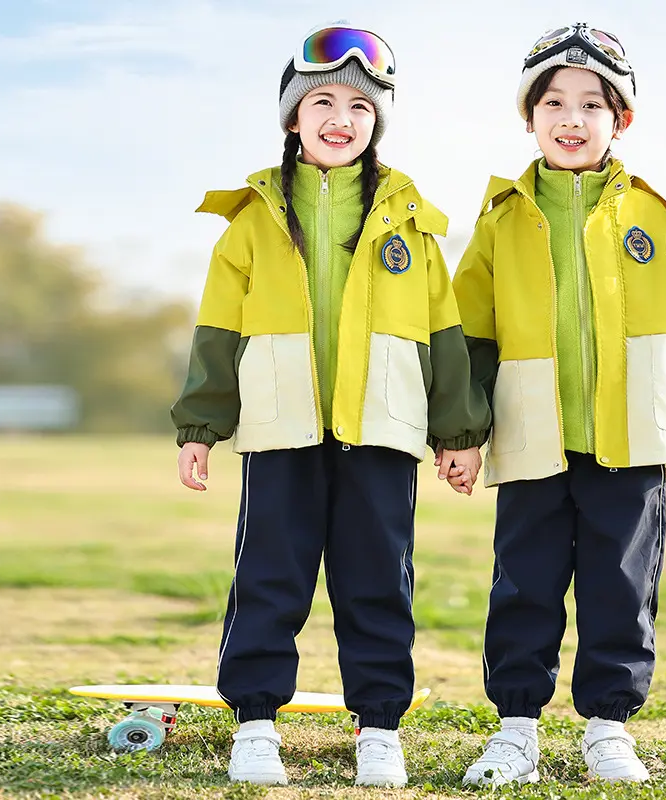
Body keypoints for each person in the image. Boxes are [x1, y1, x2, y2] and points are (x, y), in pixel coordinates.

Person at [450, 22, 666, 787]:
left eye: (592, 104)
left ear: (620, 119)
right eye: (553, 102)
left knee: (620, 590)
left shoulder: (654, 215)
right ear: (528, 119)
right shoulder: (499, 222)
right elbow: (471, 336)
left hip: (631, 439)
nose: (571, 117)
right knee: (523, 583)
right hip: (532, 436)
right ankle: (515, 728)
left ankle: (608, 727)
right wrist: (461, 432)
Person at [170, 21, 489, 788]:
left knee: (378, 580)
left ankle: (378, 726)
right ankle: (255, 723)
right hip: (280, 431)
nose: (340, 117)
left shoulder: (411, 222)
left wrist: (458, 432)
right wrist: (200, 428)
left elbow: (443, 337)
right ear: (292, 116)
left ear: (378, 122)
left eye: (359, 105)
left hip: (381, 433)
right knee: (269, 578)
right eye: (321, 101)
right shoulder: (249, 222)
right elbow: (217, 332)